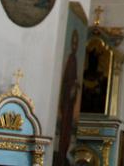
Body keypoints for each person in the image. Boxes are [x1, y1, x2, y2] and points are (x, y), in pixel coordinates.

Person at [54, 30, 80, 166]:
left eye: (77, 44)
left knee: (67, 131)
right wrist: (71, 86)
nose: (75, 46)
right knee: (64, 129)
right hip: (66, 101)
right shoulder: (71, 58)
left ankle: (63, 155)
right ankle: (60, 156)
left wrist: (75, 87)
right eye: (73, 43)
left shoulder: (74, 58)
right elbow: (66, 81)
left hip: (70, 103)